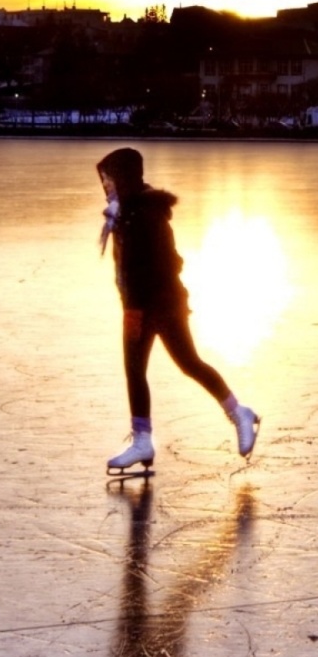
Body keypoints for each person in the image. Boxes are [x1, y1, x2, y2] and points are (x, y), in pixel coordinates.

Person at [97, 147, 258, 473]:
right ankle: (143, 440)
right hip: (140, 305)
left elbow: (168, 262)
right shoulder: (124, 212)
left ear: (126, 178)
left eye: (110, 179)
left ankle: (238, 412)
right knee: (136, 370)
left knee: (188, 363)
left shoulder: (145, 215)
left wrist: (140, 307)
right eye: (104, 181)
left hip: (160, 306)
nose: (106, 187)